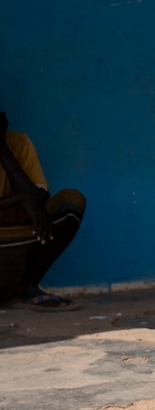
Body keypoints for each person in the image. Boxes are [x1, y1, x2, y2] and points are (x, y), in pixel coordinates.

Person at [0, 113, 86, 310]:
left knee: (70, 203)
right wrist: (19, 199)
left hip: (14, 241)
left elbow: (39, 197)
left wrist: (2, 148)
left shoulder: (17, 142)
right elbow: (27, 198)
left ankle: (28, 288)